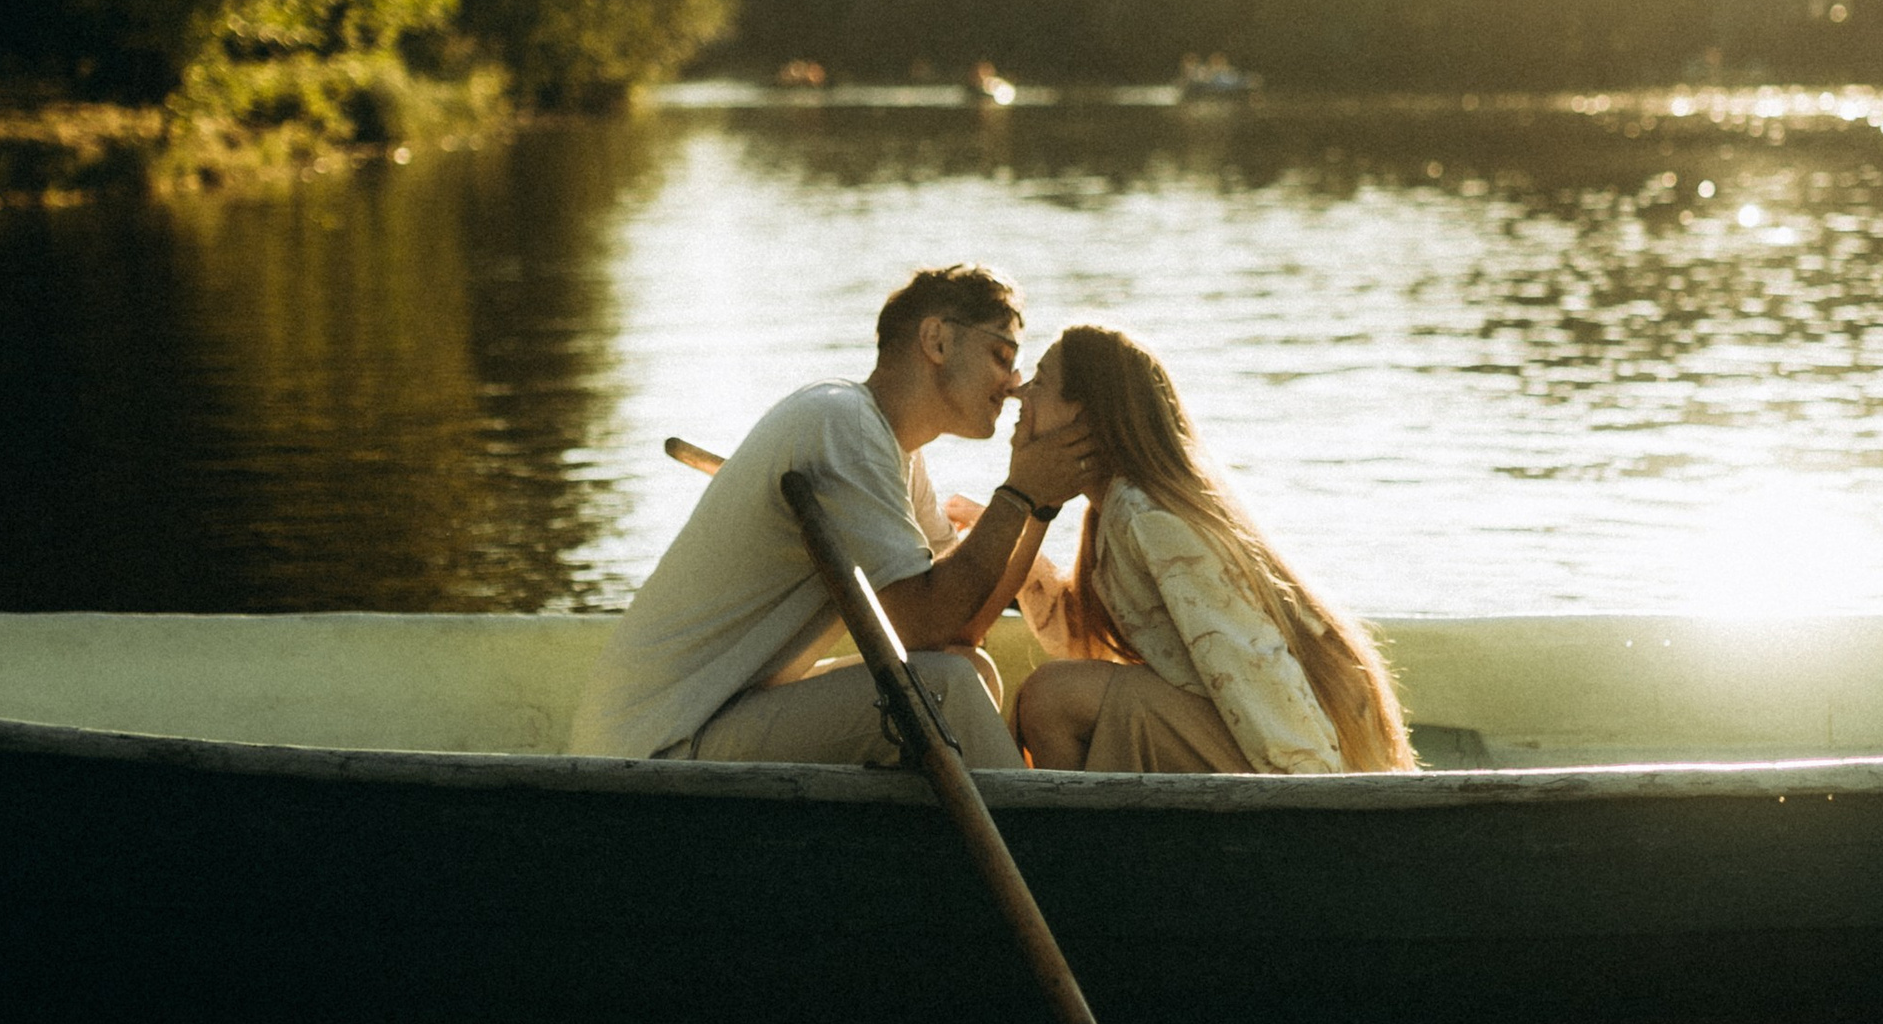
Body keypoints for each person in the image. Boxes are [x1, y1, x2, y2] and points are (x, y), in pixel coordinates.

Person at [567, 263, 1095, 768]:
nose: (1014, 382)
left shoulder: (894, 451)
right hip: (658, 747)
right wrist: (1017, 495)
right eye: (1001, 355)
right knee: (946, 691)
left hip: (713, 719)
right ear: (936, 341)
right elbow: (925, 624)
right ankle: (1041, 854)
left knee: (966, 670)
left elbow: (961, 629)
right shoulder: (842, 424)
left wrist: (1038, 508)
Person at [1001, 322, 1413, 775]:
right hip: (1237, 724)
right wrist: (1019, 515)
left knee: (1050, 697)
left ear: (1086, 416)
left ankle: (1073, 844)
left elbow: (1248, 657)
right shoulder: (1111, 511)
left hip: (1300, 755)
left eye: (1040, 382)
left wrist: (1310, 791)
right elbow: (1082, 640)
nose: (1019, 394)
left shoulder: (1148, 516)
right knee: (1056, 691)